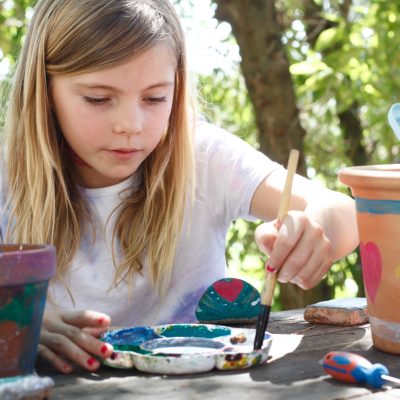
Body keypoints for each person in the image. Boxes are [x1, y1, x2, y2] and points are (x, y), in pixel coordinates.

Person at [0, 0, 358, 374]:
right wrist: (17, 323)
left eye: (155, 98)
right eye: (98, 98)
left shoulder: (203, 157)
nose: (131, 124)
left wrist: (314, 231)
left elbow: (343, 211)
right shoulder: (7, 177)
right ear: (45, 90)